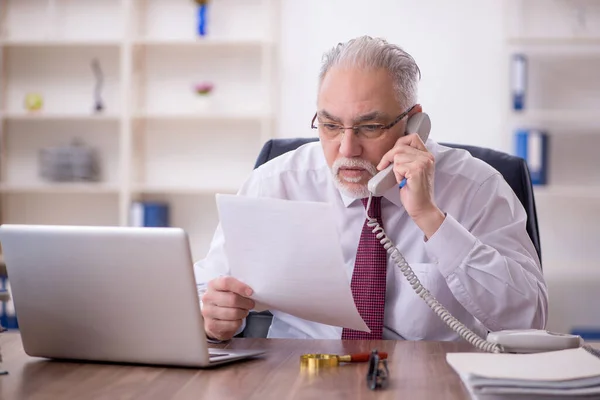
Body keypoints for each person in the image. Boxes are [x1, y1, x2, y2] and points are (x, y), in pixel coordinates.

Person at [194, 36, 548, 342]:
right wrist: (213, 318)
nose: (347, 149)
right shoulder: (276, 183)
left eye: (370, 127)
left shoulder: (477, 187)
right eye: (330, 125)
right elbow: (204, 290)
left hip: (432, 380)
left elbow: (530, 319)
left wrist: (430, 218)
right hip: (302, 377)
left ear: (414, 122)